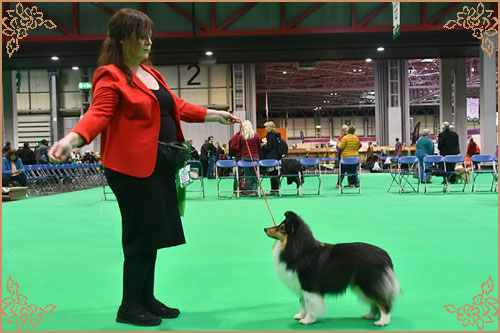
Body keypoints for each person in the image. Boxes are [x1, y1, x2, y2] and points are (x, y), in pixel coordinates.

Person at [47, 8, 238, 327]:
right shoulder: (111, 75)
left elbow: (176, 106)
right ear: (123, 39)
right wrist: (72, 139)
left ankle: (146, 298)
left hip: (159, 165)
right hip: (130, 169)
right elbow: (99, 112)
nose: (149, 41)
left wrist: (213, 114)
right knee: (139, 235)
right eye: (142, 36)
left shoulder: (152, 73)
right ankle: (129, 306)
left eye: (150, 35)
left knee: (153, 233)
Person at [238, 120, 261, 196]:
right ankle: (254, 191)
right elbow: (259, 146)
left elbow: (239, 147)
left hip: (245, 158)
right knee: (254, 175)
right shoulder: (256, 135)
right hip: (255, 157)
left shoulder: (241, 136)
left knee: (247, 176)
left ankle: (250, 191)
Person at [260, 121, 281, 195]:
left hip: (271, 158)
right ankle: (277, 189)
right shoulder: (277, 135)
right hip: (277, 157)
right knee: (276, 174)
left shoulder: (270, 136)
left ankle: (273, 190)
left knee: (272, 174)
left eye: (266, 127)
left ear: (269, 128)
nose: (265, 128)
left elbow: (269, 147)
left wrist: (263, 146)